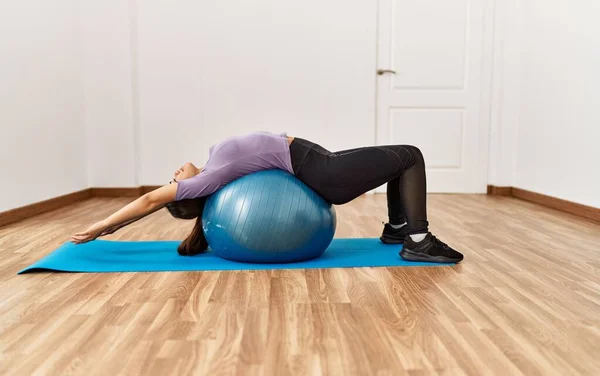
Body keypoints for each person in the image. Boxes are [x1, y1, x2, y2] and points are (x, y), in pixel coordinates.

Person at [71, 131, 463, 263]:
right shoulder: (205, 183)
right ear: (187, 195)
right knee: (410, 155)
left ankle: (398, 230)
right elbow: (147, 202)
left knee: (399, 160)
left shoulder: (215, 169)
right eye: (174, 183)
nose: (174, 174)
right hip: (324, 173)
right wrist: (102, 226)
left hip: (320, 163)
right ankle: (416, 240)